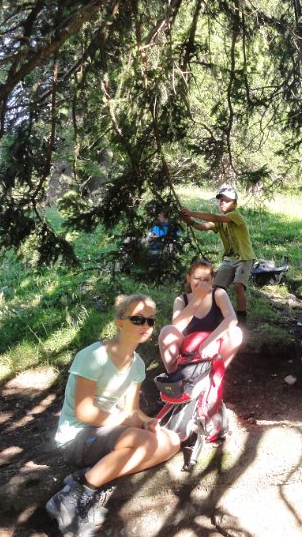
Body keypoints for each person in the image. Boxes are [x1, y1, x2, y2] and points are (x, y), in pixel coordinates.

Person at [46, 294, 181, 536]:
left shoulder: (137, 364)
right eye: (137, 319)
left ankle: (93, 478)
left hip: (108, 429)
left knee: (171, 441)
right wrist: (126, 420)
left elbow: (132, 409)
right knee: (145, 441)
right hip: (77, 436)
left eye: (150, 320)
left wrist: (148, 421)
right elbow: (84, 412)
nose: (145, 325)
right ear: (120, 323)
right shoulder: (93, 356)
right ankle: (76, 494)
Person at [181, 186, 255, 323]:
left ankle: (242, 318)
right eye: (221, 200)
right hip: (229, 259)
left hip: (244, 258)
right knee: (215, 288)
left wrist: (191, 213)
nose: (223, 203)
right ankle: (216, 316)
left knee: (238, 286)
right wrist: (189, 221)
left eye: (227, 201)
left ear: (235, 204)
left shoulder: (234, 215)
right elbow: (203, 227)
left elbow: (215, 217)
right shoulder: (219, 220)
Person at [158, 258, 243, 374]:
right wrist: (198, 298)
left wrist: (209, 342)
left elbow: (232, 319)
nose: (202, 283)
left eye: (206, 280)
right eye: (197, 279)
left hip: (213, 347)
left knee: (236, 332)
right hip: (188, 348)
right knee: (166, 331)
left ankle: (217, 373)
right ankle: (174, 375)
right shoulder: (181, 300)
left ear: (212, 280)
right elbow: (177, 326)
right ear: (189, 278)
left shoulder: (218, 294)